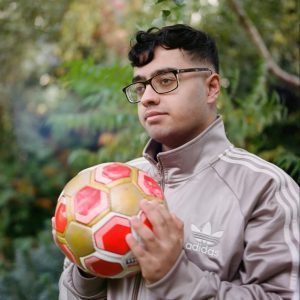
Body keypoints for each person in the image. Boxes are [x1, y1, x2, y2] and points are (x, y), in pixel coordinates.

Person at [58, 24, 299, 300]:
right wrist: (86, 270)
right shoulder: (109, 184)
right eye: (140, 86)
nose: (147, 98)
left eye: (165, 80)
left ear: (211, 88)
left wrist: (174, 278)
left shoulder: (265, 188)